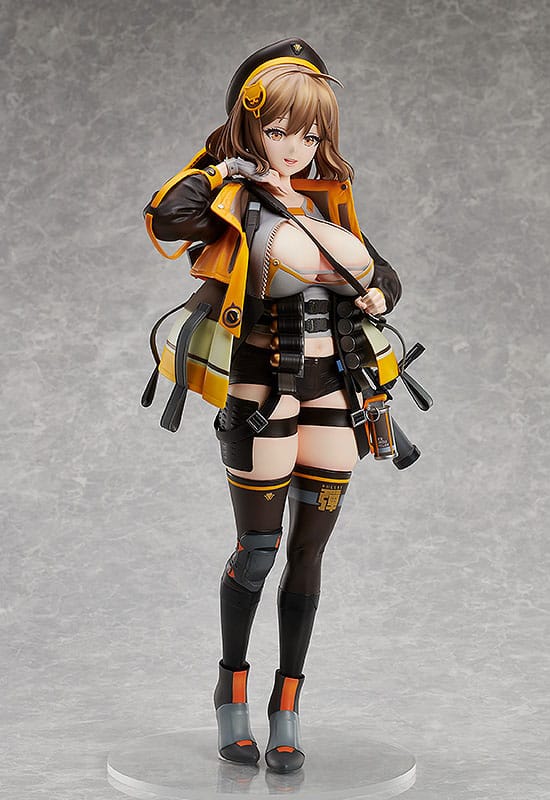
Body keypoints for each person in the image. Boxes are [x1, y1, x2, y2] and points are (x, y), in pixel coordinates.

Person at [143, 38, 402, 773]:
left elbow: (383, 271)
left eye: (310, 134)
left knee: (308, 554)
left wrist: (380, 293)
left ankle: (287, 703)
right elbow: (167, 216)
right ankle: (231, 689)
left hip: (337, 388)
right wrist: (219, 161)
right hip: (261, 387)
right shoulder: (232, 203)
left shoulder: (326, 205)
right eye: (280, 130)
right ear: (251, 127)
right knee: (257, 550)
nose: (296, 147)